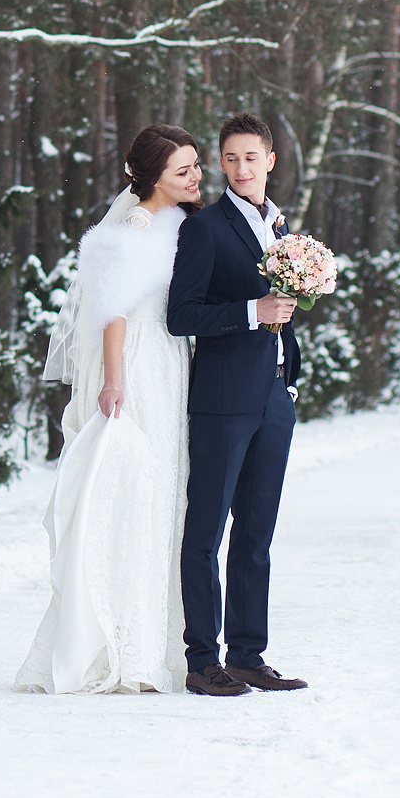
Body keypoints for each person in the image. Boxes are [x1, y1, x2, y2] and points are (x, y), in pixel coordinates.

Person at [13, 124, 203, 694]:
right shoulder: (133, 226)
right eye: (183, 171)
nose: (196, 177)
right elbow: (113, 313)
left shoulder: (176, 220)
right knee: (134, 494)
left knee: (164, 494)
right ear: (151, 177)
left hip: (170, 362)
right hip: (140, 364)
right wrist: (115, 381)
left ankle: (149, 645)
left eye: (196, 165)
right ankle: (115, 648)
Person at [166, 112, 310, 696]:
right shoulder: (204, 228)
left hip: (274, 398)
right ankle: (203, 660)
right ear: (219, 163)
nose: (241, 168)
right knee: (206, 534)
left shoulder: (281, 229)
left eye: (251, 158)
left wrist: (288, 377)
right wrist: (253, 312)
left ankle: (248, 655)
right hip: (223, 402)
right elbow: (182, 316)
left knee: (256, 534)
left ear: (271, 161)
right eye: (230, 158)